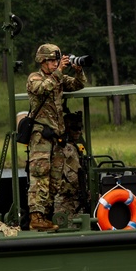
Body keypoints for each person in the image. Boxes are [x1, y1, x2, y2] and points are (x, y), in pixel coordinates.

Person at [25, 43, 87, 231]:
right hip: (40, 136)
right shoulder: (34, 78)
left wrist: (78, 70)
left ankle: (46, 215)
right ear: (42, 61)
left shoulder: (58, 77)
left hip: (57, 137)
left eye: (57, 60)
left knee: (55, 178)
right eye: (52, 60)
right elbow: (43, 88)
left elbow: (78, 85)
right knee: (39, 175)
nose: (55, 63)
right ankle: (36, 217)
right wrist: (59, 71)